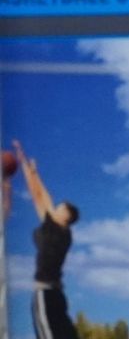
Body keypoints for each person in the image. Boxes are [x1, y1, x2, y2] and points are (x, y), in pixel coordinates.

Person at [14, 141, 80, 339]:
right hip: (58, 296)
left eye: (60, 208)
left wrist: (28, 168)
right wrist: (31, 171)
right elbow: (42, 196)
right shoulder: (64, 233)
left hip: (45, 294)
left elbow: (39, 196)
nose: (56, 209)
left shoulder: (56, 231)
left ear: (65, 217)